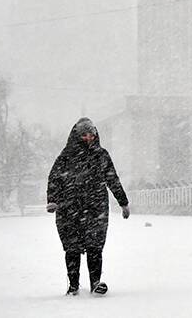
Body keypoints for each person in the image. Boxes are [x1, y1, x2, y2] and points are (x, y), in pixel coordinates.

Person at [46, 117, 130, 296]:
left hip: (95, 207)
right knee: (72, 247)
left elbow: (112, 179)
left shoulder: (102, 155)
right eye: (84, 135)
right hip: (69, 208)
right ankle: (73, 286)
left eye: (91, 135)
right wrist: (52, 200)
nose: (88, 138)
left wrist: (123, 202)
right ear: (77, 136)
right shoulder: (66, 156)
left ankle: (96, 283)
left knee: (95, 246)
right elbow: (54, 178)